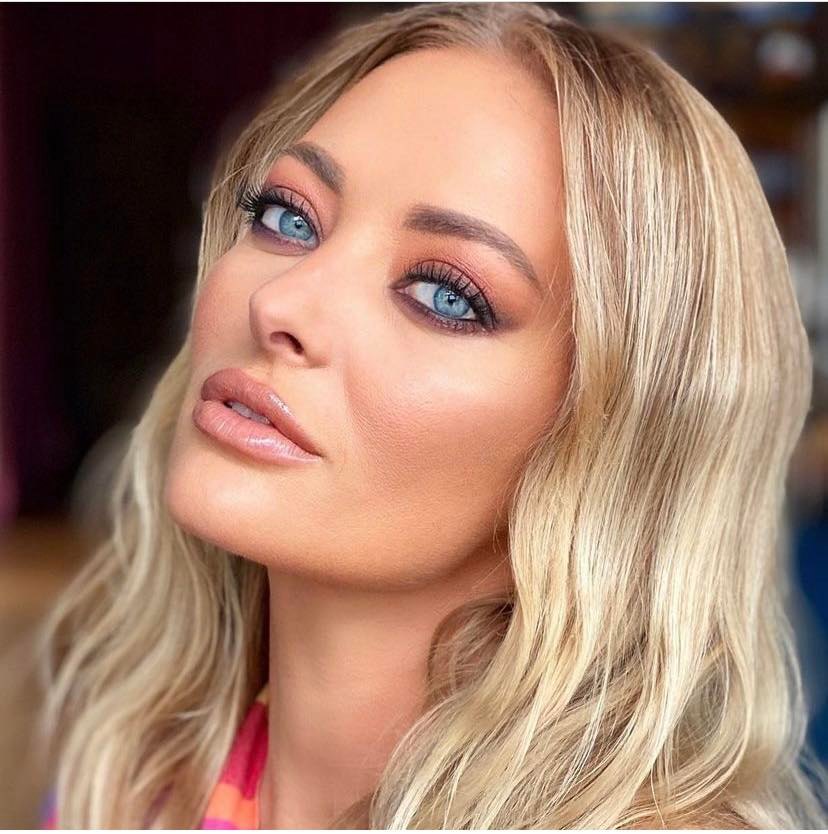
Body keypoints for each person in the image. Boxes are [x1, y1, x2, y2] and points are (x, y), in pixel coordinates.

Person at [32, 2, 828, 828]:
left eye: (446, 295)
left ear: (615, 434)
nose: (280, 302)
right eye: (288, 218)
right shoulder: (126, 795)